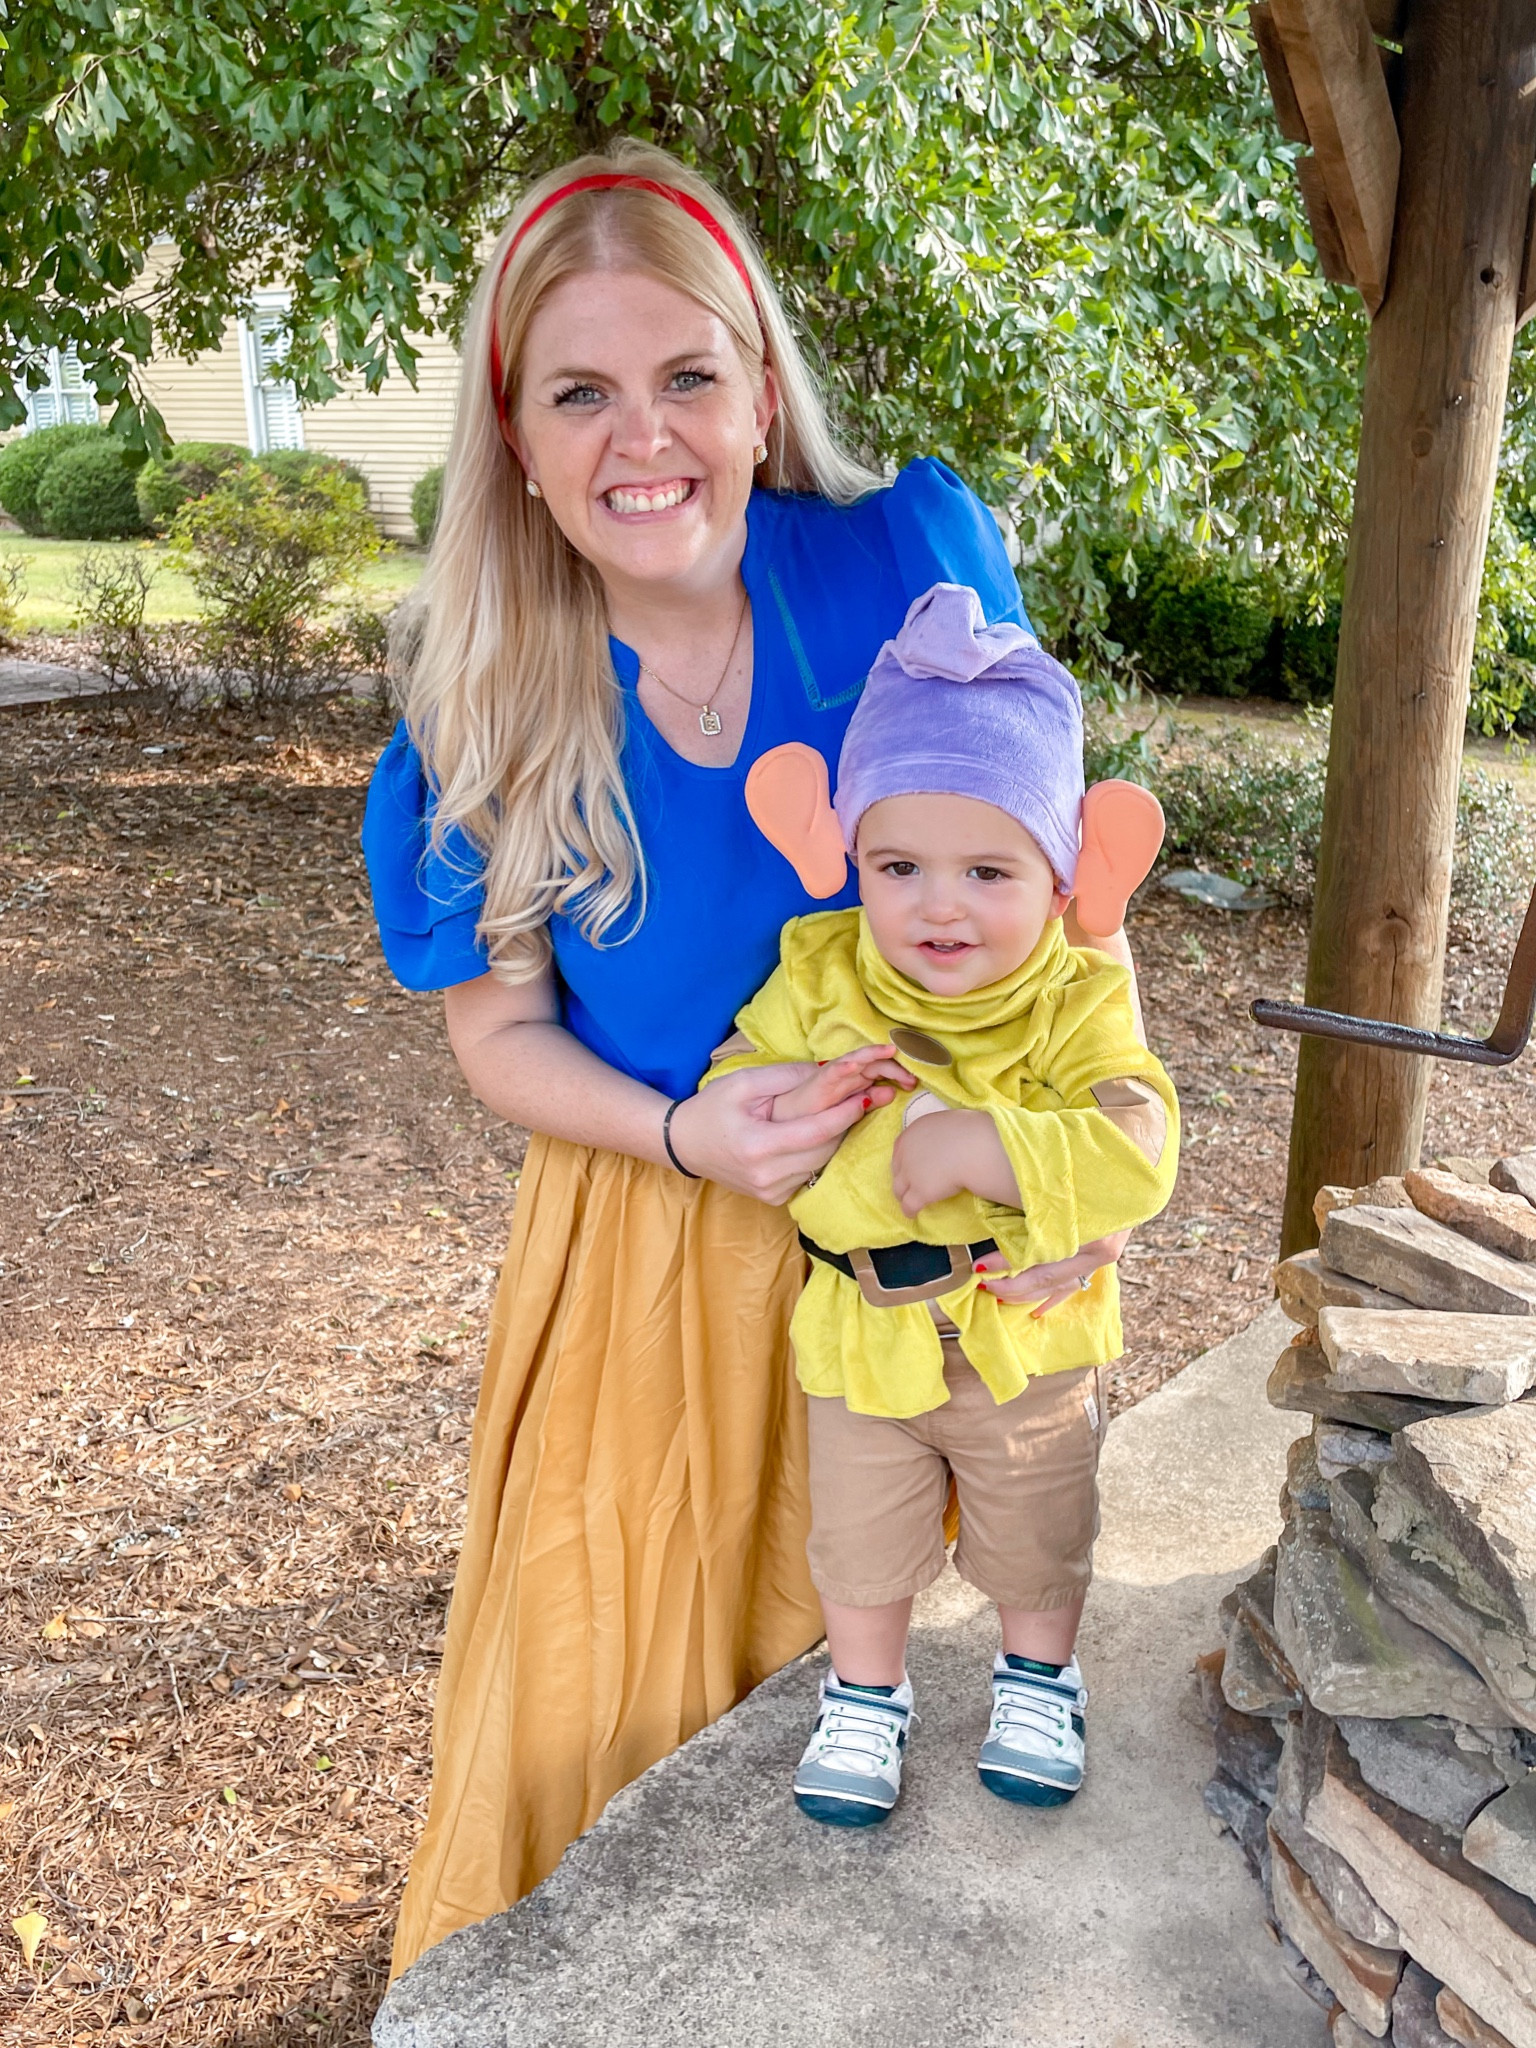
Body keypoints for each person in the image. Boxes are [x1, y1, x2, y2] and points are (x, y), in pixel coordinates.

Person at [361, 137, 1142, 1978]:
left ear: (761, 383)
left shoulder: (906, 557)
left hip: (930, 1210)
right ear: (518, 440)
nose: (646, 440)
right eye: (581, 393)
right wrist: (686, 1132)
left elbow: (1062, 900)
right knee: (614, 1690)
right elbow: (500, 1038)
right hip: (652, 1239)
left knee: (907, 1717)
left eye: (687, 377)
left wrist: (1079, 1170)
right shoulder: (479, 691)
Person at [704, 582, 1179, 1825]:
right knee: (859, 1538)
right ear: (849, 852)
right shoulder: (823, 971)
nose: (939, 904)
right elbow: (736, 1082)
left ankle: (1039, 1675)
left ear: (1061, 867)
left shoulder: (1074, 995)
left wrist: (988, 1142)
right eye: (897, 864)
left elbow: (1141, 1139)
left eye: (987, 867)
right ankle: (868, 1693)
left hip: (1024, 1331)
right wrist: (799, 1092)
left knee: (1038, 1526)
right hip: (867, 1329)